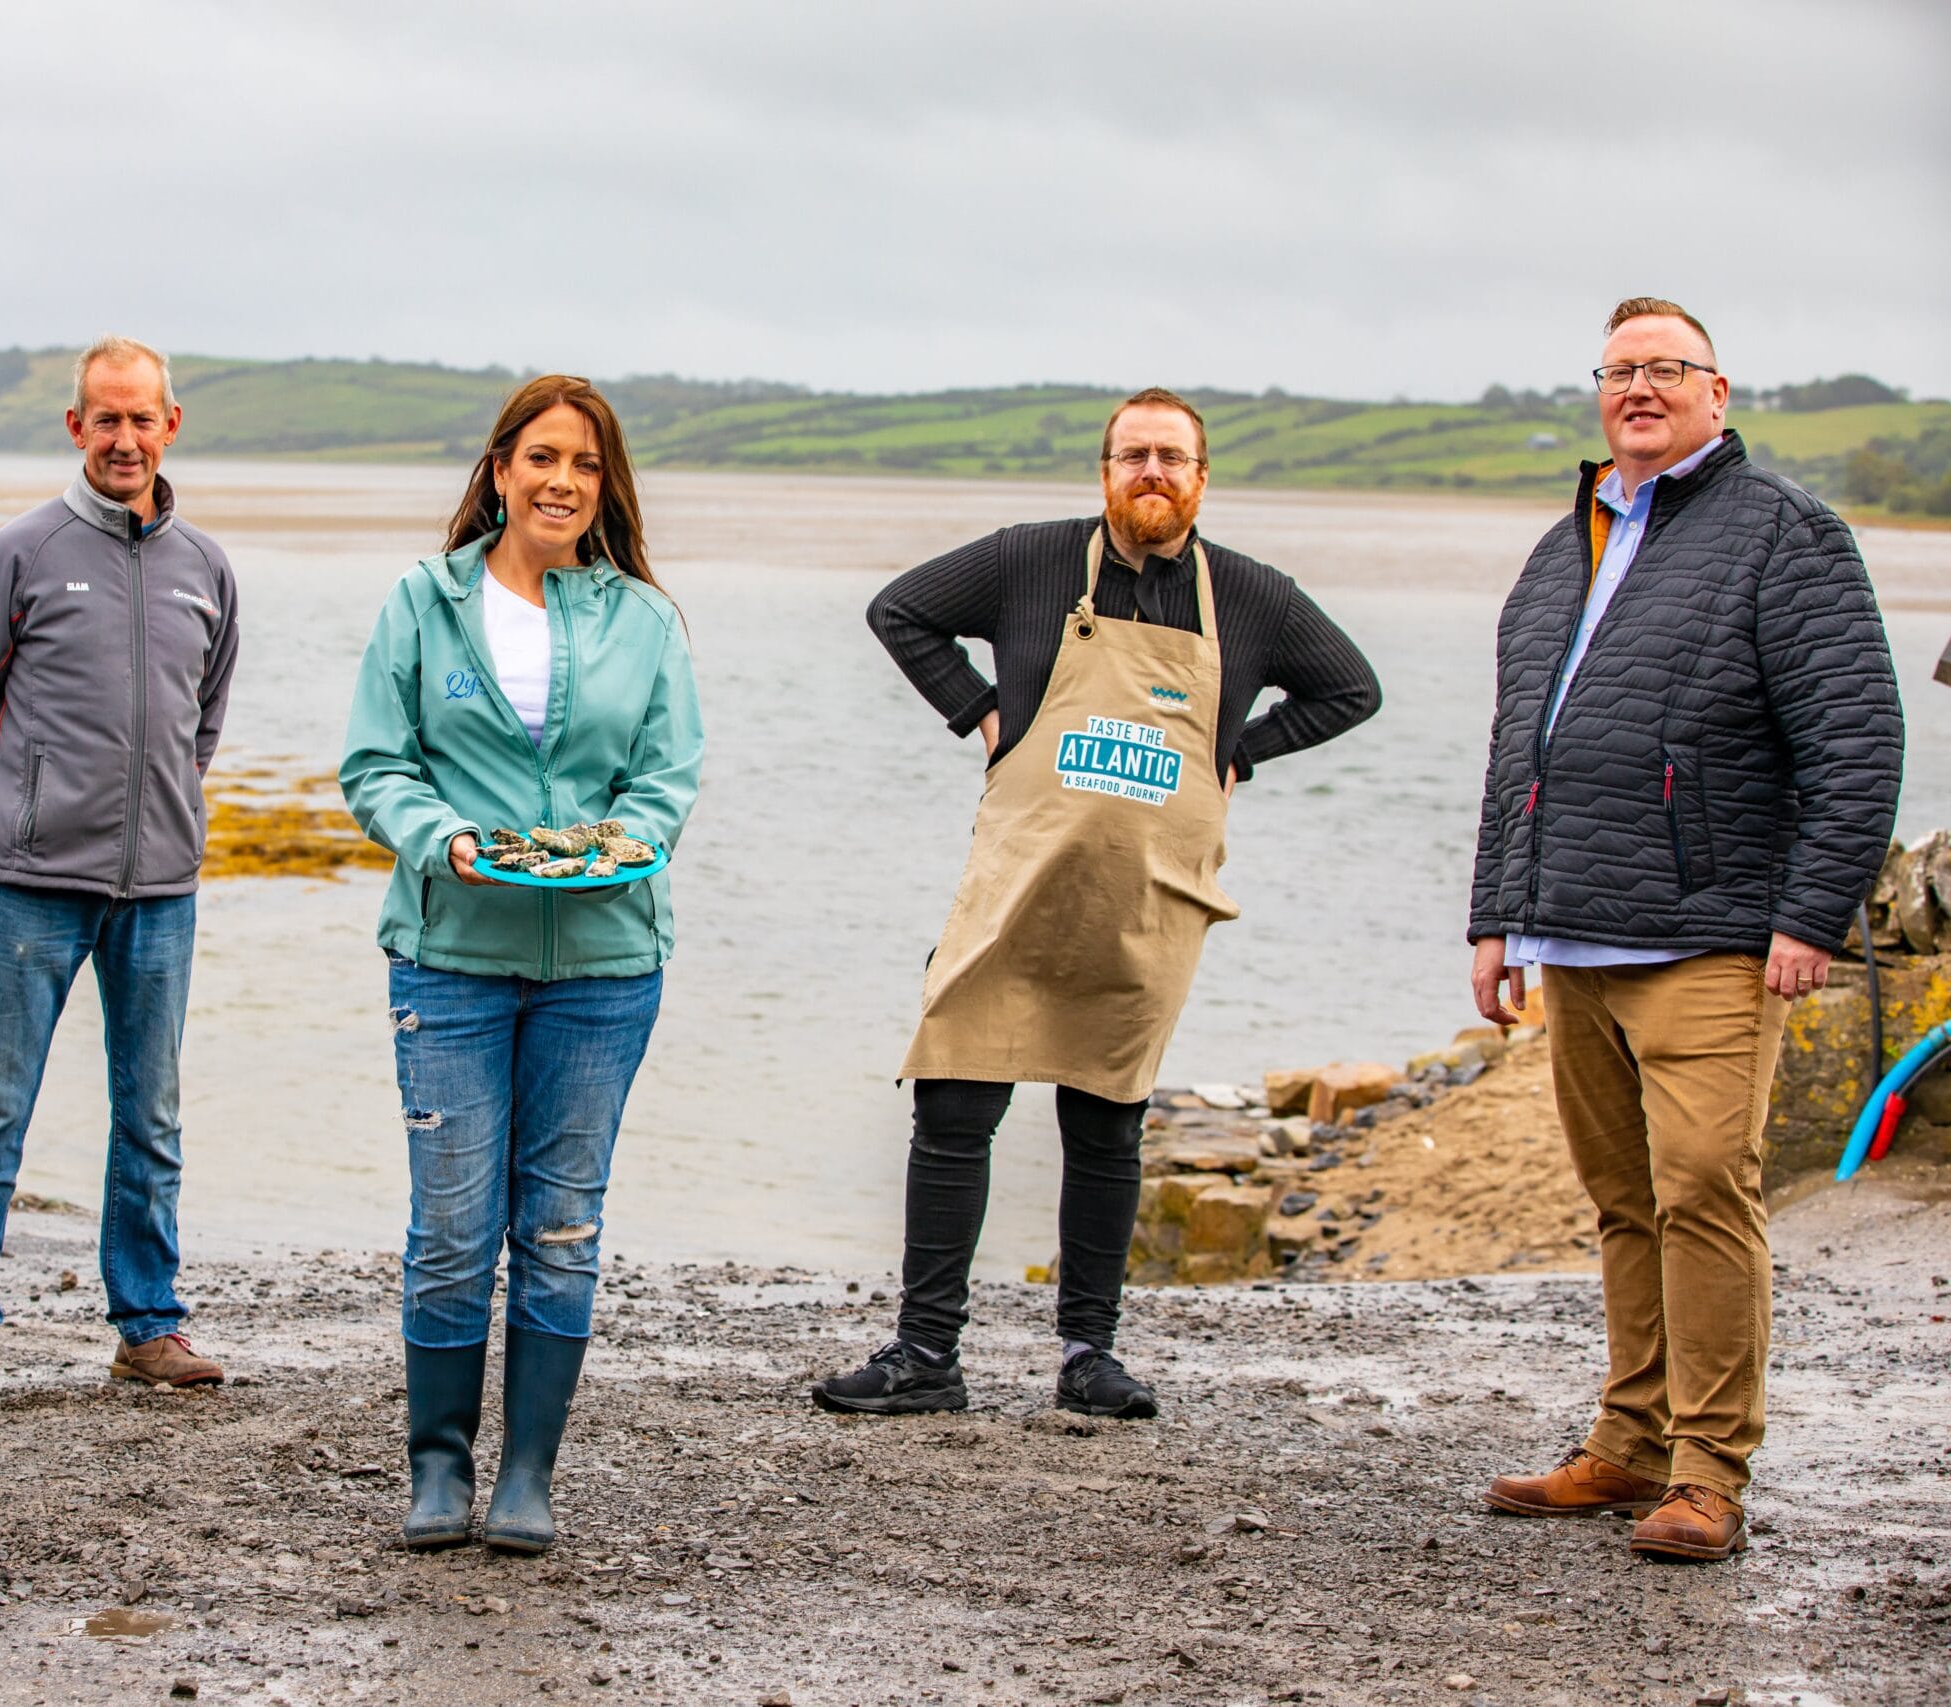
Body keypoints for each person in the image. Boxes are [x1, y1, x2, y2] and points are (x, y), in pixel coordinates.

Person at [815, 387, 1380, 1422]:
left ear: (1201, 479)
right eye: (1133, 455)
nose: (1151, 471)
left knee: (1107, 1123)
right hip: (1019, 883)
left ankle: (1089, 1356)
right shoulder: (1028, 560)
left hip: (1145, 903)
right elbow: (898, 610)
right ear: (1104, 470)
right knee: (952, 1101)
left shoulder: (1251, 597)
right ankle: (926, 1352)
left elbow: (1350, 690)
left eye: (1172, 456)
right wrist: (979, 713)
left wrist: (1239, 754)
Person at [1469, 298, 1902, 1562]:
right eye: (1619, 371)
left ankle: (1708, 1473)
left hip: (1712, 935)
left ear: (1720, 392)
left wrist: (1810, 912)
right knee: (1620, 1199)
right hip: (1573, 934)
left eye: (1667, 369)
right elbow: (1519, 754)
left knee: (1705, 1187)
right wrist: (1497, 917)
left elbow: (1855, 740)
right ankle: (1628, 1446)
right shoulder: (1568, 543)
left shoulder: (1786, 535)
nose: (1639, 389)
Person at [341, 375, 702, 1554]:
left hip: (604, 964)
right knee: (451, 1225)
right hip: (449, 952)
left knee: (559, 1226)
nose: (561, 481)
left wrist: (626, 844)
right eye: (541, 457)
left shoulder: (642, 621)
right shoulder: (421, 602)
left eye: (585, 465)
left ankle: (527, 1475)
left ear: (606, 487)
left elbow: (664, 778)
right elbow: (375, 764)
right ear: (499, 470)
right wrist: (440, 841)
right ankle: (438, 1467)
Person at [0, 337, 240, 1400]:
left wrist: (160, 817)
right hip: (27, 890)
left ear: (170, 425)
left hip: (159, 894)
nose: (123, 438)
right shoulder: (19, 553)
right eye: (104, 419)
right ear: (75, 429)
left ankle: (147, 1325)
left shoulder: (207, 569)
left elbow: (198, 728)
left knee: (150, 1116)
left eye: (140, 418)